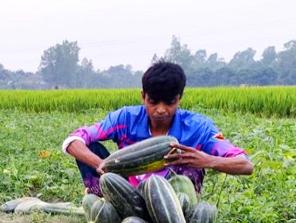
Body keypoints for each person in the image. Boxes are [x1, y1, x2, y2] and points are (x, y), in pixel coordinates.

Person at [63, 61, 253, 196]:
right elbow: (74, 141)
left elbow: (245, 164)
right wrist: (99, 164)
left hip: (172, 204)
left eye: (170, 102)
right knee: (92, 147)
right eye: (153, 102)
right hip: (128, 194)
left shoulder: (199, 127)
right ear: (143, 96)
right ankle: (105, 210)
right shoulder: (126, 118)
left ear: (180, 98)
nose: (161, 110)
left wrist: (207, 160)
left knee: (190, 168)